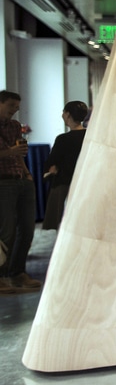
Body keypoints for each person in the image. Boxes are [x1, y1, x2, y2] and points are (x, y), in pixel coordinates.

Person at [0, 90, 39, 294]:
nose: (14, 110)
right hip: (3, 182)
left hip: (21, 179)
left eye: (16, 107)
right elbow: (12, 152)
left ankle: (17, 273)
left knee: (27, 229)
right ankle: (1, 275)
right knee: (5, 232)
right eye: (11, 106)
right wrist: (11, 152)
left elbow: (19, 154)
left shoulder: (15, 126)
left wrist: (27, 174)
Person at [41, 101, 89, 230]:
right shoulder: (90, 136)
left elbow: (52, 162)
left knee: (63, 224)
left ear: (67, 114)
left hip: (64, 184)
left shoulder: (63, 139)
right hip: (86, 183)